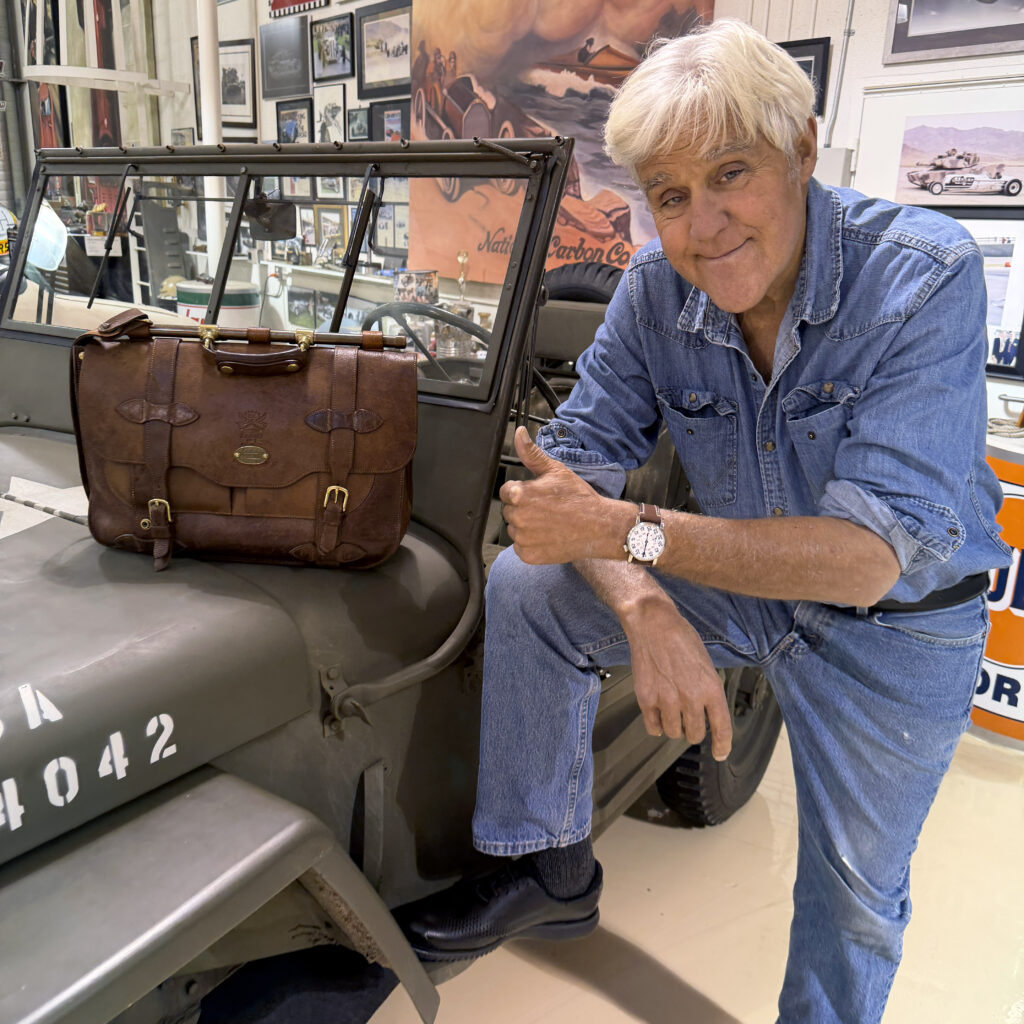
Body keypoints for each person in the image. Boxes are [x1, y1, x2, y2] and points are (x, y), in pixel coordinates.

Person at [395, 19, 1010, 1024]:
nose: (704, 225)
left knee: (853, 896)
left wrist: (626, 536)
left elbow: (862, 561)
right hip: (745, 583)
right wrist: (642, 607)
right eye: (671, 196)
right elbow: (567, 475)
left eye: (731, 174)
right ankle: (546, 861)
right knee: (528, 585)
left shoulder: (921, 276)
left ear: (802, 151)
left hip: (898, 620)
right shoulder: (651, 292)